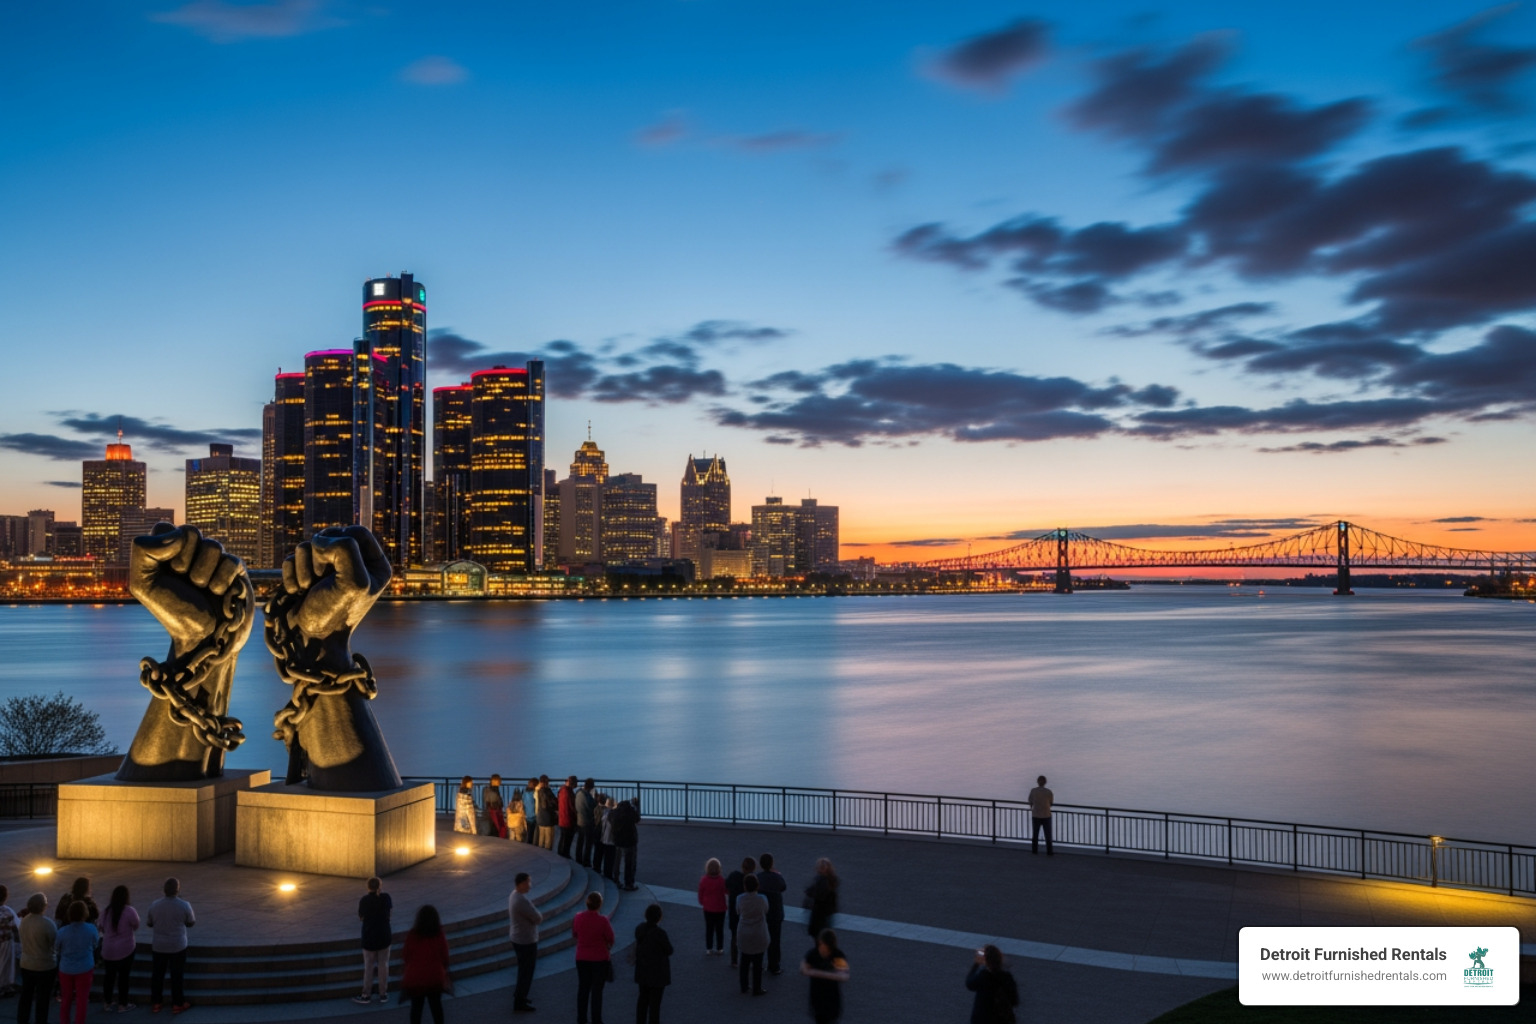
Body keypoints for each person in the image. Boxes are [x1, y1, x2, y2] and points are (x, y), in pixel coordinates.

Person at [147, 877, 195, 1014]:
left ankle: (156, 1003)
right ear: (178, 890)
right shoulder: (184, 905)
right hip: (177, 945)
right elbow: (191, 922)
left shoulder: (155, 904)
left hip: (159, 946)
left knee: (157, 975)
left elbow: (149, 923)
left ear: (164, 890)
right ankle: (177, 1003)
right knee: (177, 975)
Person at [400, 905, 451, 1024]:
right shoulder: (438, 935)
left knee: (416, 1008)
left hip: (416, 978)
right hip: (434, 977)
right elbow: (445, 955)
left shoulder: (413, 935)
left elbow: (405, 955)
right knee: (436, 1007)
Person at [571, 892, 613, 1024]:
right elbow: (611, 938)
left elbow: (575, 934)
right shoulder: (603, 921)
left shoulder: (578, 917)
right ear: (599, 905)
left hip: (582, 958)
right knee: (597, 992)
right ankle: (596, 1020)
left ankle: (581, 1019)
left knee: (583, 989)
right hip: (599, 959)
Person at [352, 876, 393, 1005]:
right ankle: (383, 993)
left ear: (368, 887)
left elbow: (361, 917)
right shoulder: (386, 898)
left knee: (369, 966)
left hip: (369, 936)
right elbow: (389, 914)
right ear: (380, 886)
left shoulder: (364, 900)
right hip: (384, 935)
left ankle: (366, 994)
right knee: (383, 965)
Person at [99, 885, 140, 1013]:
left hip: (108, 950)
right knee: (124, 977)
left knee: (109, 977)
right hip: (126, 949)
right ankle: (123, 1004)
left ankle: (107, 1002)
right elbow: (136, 925)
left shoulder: (106, 911)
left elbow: (101, 927)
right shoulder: (129, 911)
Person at [55, 900, 97, 1024]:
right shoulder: (91, 929)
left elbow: (56, 948)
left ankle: (64, 1021)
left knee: (66, 999)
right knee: (82, 1000)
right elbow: (95, 944)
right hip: (85, 967)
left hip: (66, 968)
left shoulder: (62, 931)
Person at [16, 893, 54, 1024]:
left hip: (26, 963)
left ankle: (22, 1020)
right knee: (43, 998)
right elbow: (53, 944)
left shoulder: (24, 921)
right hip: (44, 966)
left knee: (25, 996)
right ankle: (41, 1021)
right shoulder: (48, 924)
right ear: (43, 906)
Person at [632, 903, 672, 1024]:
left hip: (643, 971)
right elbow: (669, 950)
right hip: (657, 974)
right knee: (655, 1006)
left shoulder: (640, 929)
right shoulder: (660, 933)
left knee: (642, 1000)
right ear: (659, 917)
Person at [508, 872, 542, 1014]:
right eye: (528, 882)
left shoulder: (514, 895)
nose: (530, 885)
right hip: (525, 940)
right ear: (522, 884)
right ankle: (520, 1001)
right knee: (526, 972)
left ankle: (520, 996)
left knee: (524, 970)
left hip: (518, 938)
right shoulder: (521, 901)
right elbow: (538, 918)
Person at [800, 928, 850, 1024]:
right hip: (818, 999)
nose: (821, 948)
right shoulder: (814, 953)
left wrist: (818, 973)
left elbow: (845, 976)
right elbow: (803, 968)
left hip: (831, 1000)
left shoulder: (837, 955)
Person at [733, 875, 768, 996]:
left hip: (744, 933)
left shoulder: (739, 898)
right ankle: (757, 988)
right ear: (757, 886)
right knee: (758, 963)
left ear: (745, 886)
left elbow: (738, 911)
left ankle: (744, 986)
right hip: (759, 933)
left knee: (744, 961)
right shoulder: (762, 899)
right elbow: (766, 910)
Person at [965, 945, 1019, 1023]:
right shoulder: (1007, 977)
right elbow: (1014, 1001)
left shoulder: (983, 977)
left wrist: (976, 964)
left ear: (985, 960)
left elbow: (969, 984)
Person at [756, 853, 787, 974]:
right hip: (775, 913)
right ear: (771, 864)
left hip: (762, 913)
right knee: (775, 940)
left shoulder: (758, 877)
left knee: (760, 939)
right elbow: (783, 887)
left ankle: (758, 963)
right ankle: (774, 965)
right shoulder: (777, 878)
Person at [724, 857, 755, 968]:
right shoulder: (753, 880)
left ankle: (734, 960)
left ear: (742, 866)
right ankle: (749, 960)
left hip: (734, 911)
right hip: (748, 913)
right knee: (749, 937)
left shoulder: (734, 876)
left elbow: (726, 885)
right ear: (753, 869)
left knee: (734, 936)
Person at [608, 797, 641, 891]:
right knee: (630, 863)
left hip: (617, 841)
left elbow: (609, 819)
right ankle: (629, 883)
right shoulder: (630, 813)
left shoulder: (613, 813)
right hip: (630, 842)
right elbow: (637, 819)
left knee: (616, 862)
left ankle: (616, 879)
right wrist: (636, 806)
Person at [696, 859, 727, 956]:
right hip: (720, 908)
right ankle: (720, 948)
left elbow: (701, 893)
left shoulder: (704, 880)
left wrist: (702, 902)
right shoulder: (722, 880)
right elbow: (726, 892)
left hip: (708, 908)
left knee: (709, 928)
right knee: (719, 929)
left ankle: (709, 948)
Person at [803, 858, 839, 940]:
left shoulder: (821, 880)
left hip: (819, 914)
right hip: (829, 912)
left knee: (819, 937)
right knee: (827, 936)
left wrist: (809, 892)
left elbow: (819, 895)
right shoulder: (832, 879)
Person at [1027, 775, 1054, 856]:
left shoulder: (1033, 791)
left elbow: (1030, 801)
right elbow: (1051, 803)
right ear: (1045, 782)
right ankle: (1049, 852)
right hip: (1046, 815)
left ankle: (1034, 850)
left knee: (1035, 834)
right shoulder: (1049, 792)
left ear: (1037, 782)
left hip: (1036, 815)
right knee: (1048, 835)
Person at [573, 779, 597, 867]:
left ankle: (578, 858)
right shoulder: (586, 796)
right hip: (587, 822)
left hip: (579, 821)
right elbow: (591, 808)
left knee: (580, 841)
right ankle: (586, 861)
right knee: (588, 843)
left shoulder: (578, 793)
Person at [0, 885, 18, 997]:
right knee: (5, 965)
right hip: (5, 943)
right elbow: (16, 926)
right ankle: (4, 987)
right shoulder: (8, 911)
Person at [595, 797, 617, 881]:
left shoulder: (604, 814)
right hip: (610, 840)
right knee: (610, 858)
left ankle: (599, 869)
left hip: (603, 838)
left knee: (602, 855)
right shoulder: (612, 815)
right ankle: (608, 874)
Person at [535, 776, 558, 850]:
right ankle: (548, 854)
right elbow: (552, 803)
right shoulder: (546, 792)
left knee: (541, 837)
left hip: (540, 816)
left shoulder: (537, 791)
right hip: (548, 817)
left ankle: (540, 853)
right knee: (549, 838)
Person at [557, 776, 578, 859]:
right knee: (567, 838)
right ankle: (565, 854)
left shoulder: (561, 790)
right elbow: (572, 806)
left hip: (562, 817)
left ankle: (560, 853)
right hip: (568, 818)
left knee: (563, 837)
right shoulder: (569, 792)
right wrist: (576, 814)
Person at [522, 779, 540, 844]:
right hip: (534, 815)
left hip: (527, 814)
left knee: (529, 831)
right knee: (533, 832)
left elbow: (523, 802)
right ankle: (532, 844)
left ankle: (529, 843)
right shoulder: (534, 793)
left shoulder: (525, 792)